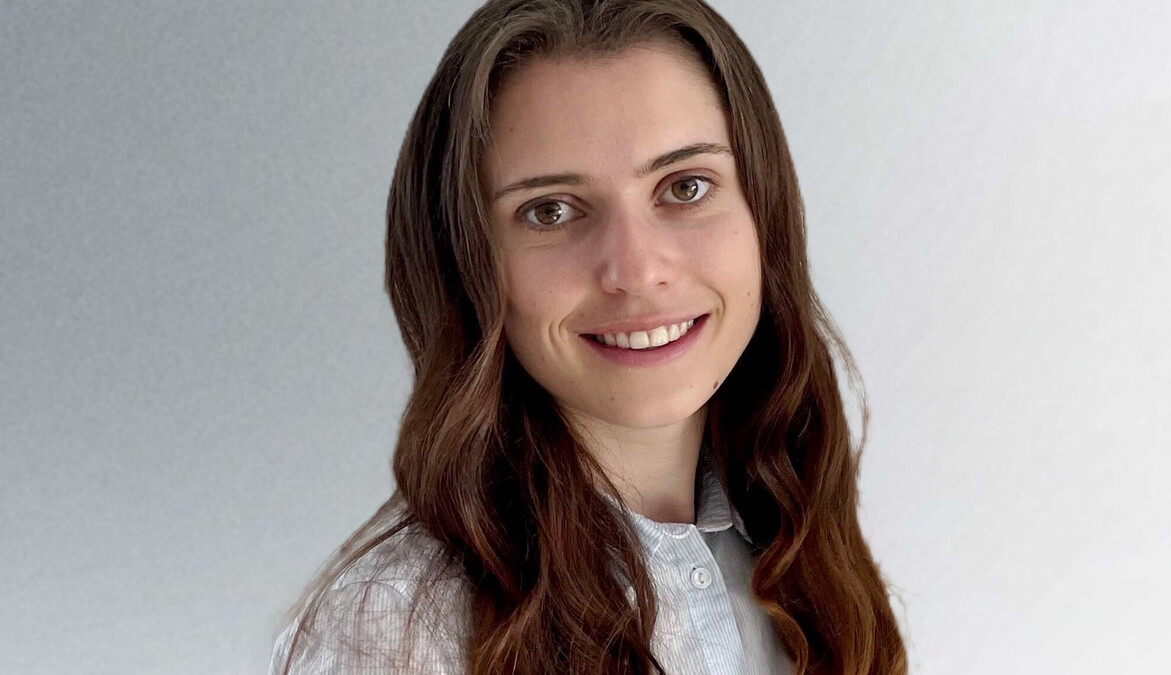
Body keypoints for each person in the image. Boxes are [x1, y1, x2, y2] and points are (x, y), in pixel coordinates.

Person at [269, 0, 907, 673]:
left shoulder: (801, 546)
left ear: (765, 215)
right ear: (464, 263)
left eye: (686, 187)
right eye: (550, 210)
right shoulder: (395, 629)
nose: (635, 270)